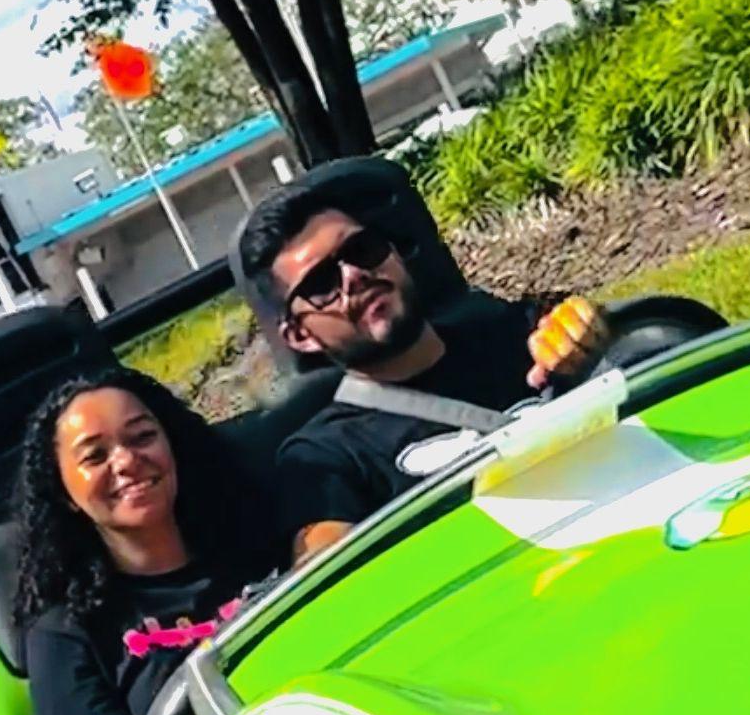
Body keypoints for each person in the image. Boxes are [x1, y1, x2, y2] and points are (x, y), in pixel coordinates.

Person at [237, 181, 613, 561]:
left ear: (395, 252)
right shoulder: (327, 456)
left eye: (361, 250)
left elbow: (627, 360)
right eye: (321, 284)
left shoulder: (521, 334)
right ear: (300, 335)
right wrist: (323, 550)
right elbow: (322, 560)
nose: (354, 275)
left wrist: (588, 336)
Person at [14, 366, 281, 715]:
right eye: (95, 456)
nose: (126, 461)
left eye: (142, 437)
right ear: (63, 492)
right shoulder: (64, 631)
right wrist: (186, 714)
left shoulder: (258, 538)